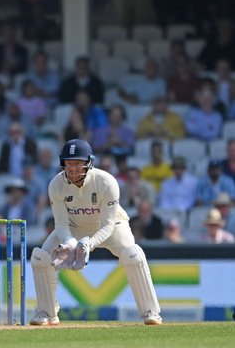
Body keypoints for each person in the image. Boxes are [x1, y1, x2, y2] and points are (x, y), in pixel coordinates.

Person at [30, 139, 162, 326]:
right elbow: (60, 223)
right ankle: (47, 312)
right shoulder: (56, 184)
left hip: (113, 227)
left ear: (88, 162)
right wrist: (69, 242)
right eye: (69, 163)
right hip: (75, 228)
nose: (73, 168)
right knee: (41, 257)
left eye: (77, 163)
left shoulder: (106, 182)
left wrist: (88, 245)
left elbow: (108, 225)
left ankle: (151, 312)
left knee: (132, 254)